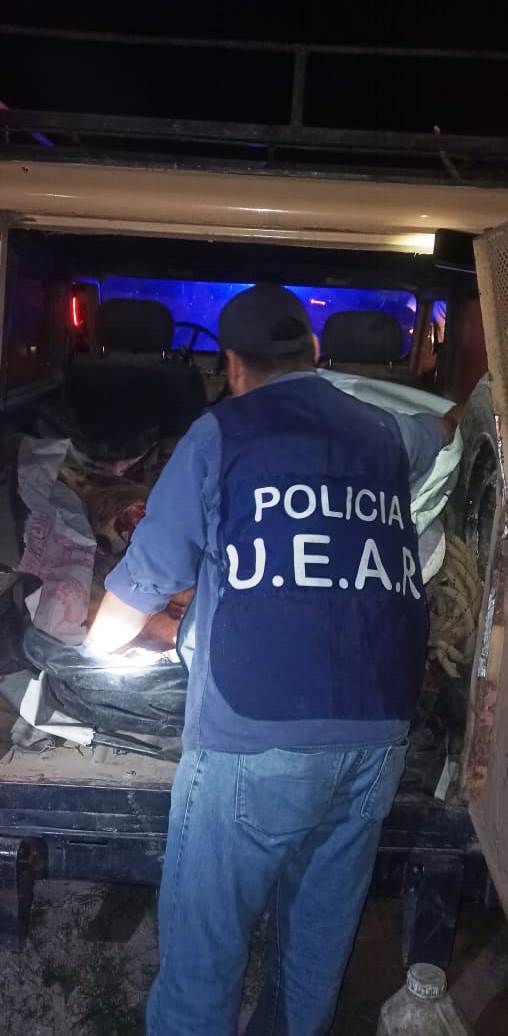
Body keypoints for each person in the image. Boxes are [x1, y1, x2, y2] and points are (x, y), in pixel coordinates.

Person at [88, 284, 462, 1036]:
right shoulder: (388, 433)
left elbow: (144, 584)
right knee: (313, 949)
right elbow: (444, 431)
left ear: (231, 366)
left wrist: (95, 648)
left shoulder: (218, 434)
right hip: (379, 733)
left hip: (254, 739)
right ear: (314, 353)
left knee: (205, 955)